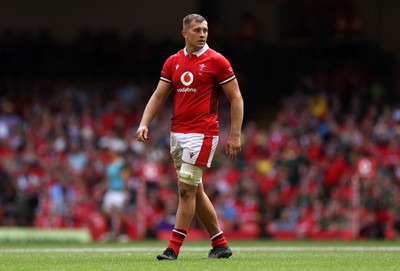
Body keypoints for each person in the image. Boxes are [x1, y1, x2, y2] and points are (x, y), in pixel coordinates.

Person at [136, 13, 244, 260]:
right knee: (194, 190)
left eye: (205, 30)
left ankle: (172, 248)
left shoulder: (217, 61)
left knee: (185, 190)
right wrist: (144, 123)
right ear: (185, 34)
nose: (203, 34)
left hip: (203, 133)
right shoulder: (173, 61)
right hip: (178, 133)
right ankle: (221, 245)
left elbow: (236, 97)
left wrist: (235, 135)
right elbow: (158, 96)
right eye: (197, 30)